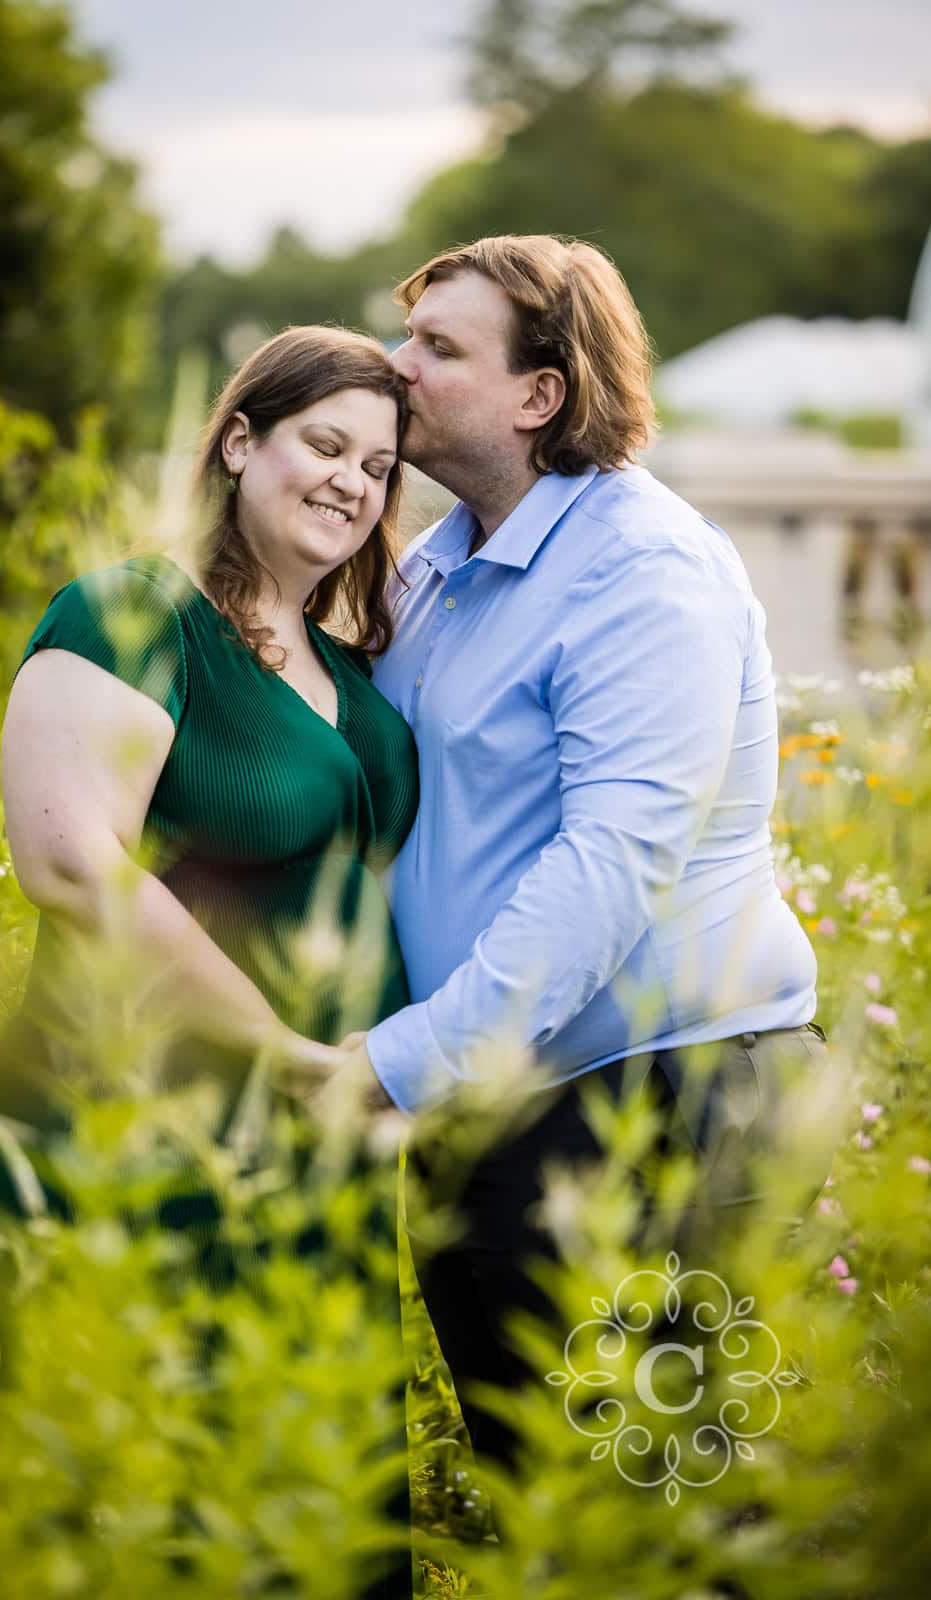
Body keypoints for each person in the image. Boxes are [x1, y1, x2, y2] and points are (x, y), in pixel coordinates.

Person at [337, 234, 832, 1473]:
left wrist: (396, 1066)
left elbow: (612, 863)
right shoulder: (444, 566)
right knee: (548, 1513)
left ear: (537, 394)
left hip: (656, 1116)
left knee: (666, 1522)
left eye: (436, 348)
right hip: (502, 1101)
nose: (396, 370)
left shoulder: (637, 570)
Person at [0, 325, 417, 1598]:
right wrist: (282, 1052)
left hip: (310, 1133)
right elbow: (69, 860)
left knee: (308, 1492)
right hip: (137, 1121)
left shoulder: (351, 669)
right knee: (143, 1490)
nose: (352, 482)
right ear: (239, 441)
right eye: (324, 444)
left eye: (380, 466)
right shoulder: (130, 613)